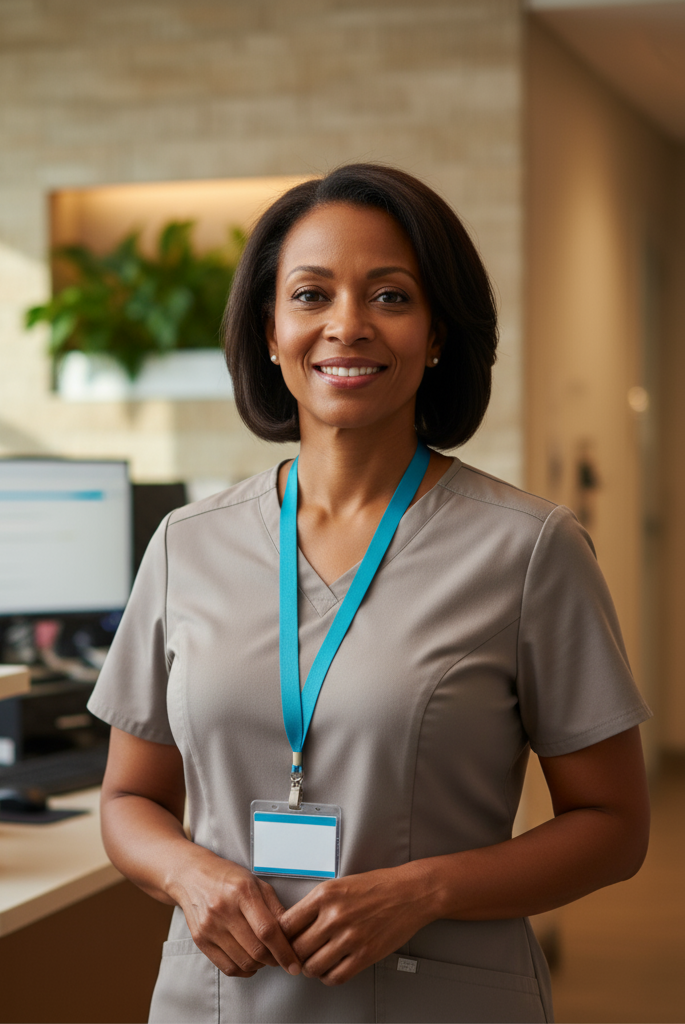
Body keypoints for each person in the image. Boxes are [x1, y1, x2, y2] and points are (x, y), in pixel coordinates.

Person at [87, 163, 651, 1023]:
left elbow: (614, 825)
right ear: (270, 334)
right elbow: (129, 798)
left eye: (390, 297)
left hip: (442, 996)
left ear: (436, 335)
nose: (346, 326)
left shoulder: (529, 550)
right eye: (311, 296)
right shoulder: (186, 545)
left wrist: (425, 890)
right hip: (219, 1002)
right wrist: (187, 873)